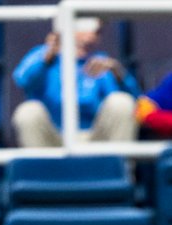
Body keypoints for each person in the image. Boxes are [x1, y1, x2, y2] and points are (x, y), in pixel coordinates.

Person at [11, 17, 139, 147]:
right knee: (28, 111)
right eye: (85, 29)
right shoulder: (44, 56)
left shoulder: (101, 62)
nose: (90, 37)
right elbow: (22, 80)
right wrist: (45, 57)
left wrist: (119, 74)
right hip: (53, 137)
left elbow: (133, 102)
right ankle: (37, 167)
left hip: (94, 139)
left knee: (121, 102)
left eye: (97, 32)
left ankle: (117, 166)